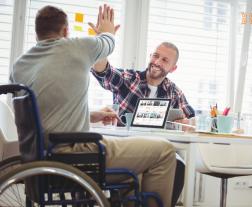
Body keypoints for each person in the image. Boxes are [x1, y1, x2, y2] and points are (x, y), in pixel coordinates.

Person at [10, 4, 176, 207]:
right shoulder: (75, 47)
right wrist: (105, 31)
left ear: (37, 34)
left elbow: (42, 115)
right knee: (165, 151)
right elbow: (108, 42)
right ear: (65, 31)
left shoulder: (20, 65)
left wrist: (92, 115)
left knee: (131, 174)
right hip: (76, 154)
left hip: (40, 158)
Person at [91, 42, 195, 206]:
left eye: (165, 60)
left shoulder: (173, 91)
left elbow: (191, 118)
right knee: (140, 172)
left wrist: (185, 121)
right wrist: (103, 43)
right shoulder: (129, 78)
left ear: (173, 68)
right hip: (126, 148)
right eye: (155, 56)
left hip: (158, 150)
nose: (157, 62)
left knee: (178, 164)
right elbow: (103, 71)